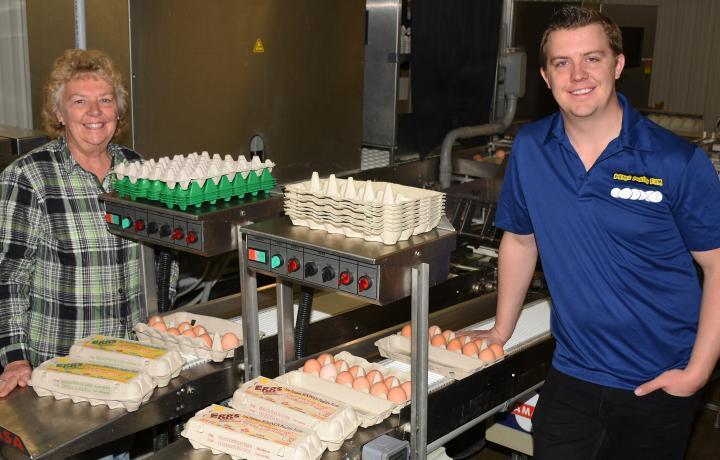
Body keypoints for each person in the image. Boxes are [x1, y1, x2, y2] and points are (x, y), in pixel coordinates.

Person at [459, 6, 720, 459]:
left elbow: (716, 264)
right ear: (546, 76)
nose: (578, 75)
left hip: (657, 381)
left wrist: (698, 371)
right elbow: (520, 239)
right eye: (562, 62)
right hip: (572, 373)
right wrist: (501, 329)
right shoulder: (531, 149)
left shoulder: (675, 161)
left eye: (592, 59)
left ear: (618, 65)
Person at [0, 48, 177, 399]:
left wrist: (160, 317)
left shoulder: (139, 171)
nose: (95, 112)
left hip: (136, 363)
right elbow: (8, 277)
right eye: (80, 101)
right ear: (59, 113)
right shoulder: (29, 177)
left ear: (117, 111)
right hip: (64, 371)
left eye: (105, 100)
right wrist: (15, 358)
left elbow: (164, 255)